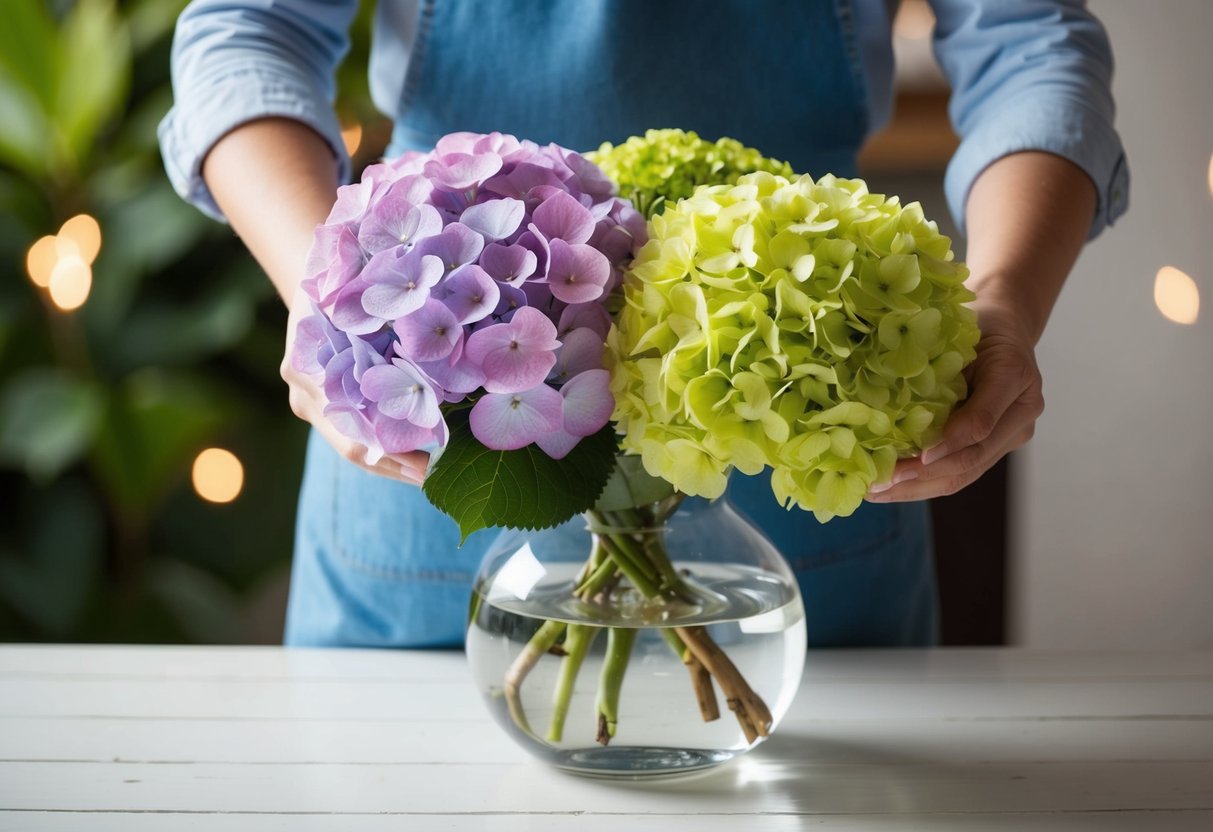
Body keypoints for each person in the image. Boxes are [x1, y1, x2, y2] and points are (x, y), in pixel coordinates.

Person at [160, 0, 1127, 649]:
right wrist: (332, 296)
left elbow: (1032, 40)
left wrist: (1002, 302)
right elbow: (245, 29)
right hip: (435, 423)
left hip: (797, 434)